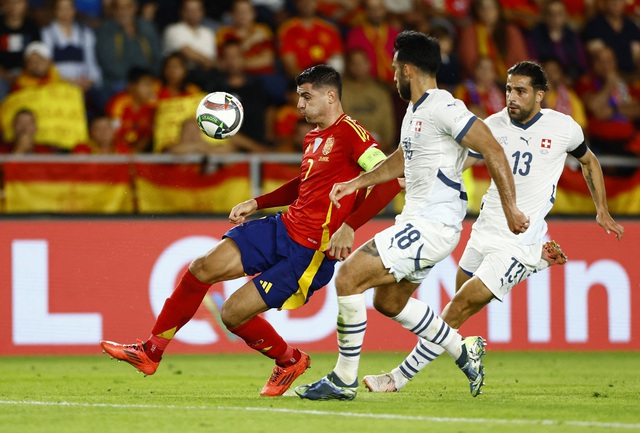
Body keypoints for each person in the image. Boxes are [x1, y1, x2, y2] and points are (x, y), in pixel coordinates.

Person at [100, 64, 402, 397]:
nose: (299, 105)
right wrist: (258, 202)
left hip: (309, 252)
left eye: (306, 96)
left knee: (231, 314)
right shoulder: (314, 136)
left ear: (331, 96)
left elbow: (390, 179)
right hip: (282, 226)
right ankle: (150, 352)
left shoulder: (353, 135)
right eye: (298, 97)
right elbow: (305, 185)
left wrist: (349, 226)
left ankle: (290, 361)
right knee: (201, 268)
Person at [362, 61, 625, 394]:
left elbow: (588, 160)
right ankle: (538, 264)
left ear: (540, 95)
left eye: (520, 91)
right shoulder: (493, 125)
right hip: (485, 229)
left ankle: (397, 378)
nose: (511, 97)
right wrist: (420, 175)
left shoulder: (564, 128)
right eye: (508, 89)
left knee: (455, 310)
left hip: (519, 237)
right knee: (459, 300)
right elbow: (462, 162)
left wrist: (601, 210)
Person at [294, 30, 529, 401]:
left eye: (393, 69)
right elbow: (402, 161)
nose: (391, 76)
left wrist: (512, 207)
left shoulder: (443, 106)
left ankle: (342, 380)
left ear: (407, 69)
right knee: (389, 303)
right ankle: (460, 347)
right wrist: (357, 183)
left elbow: (492, 149)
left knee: (350, 277)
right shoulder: (414, 112)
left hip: (433, 222)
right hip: (418, 221)